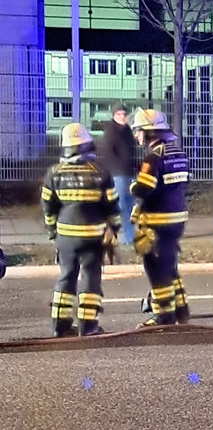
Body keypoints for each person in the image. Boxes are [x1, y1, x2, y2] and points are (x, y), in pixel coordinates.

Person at [41, 124, 121, 337]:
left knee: (66, 276)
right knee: (90, 277)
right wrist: (114, 228)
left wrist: (52, 232)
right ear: (87, 144)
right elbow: (112, 205)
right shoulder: (100, 172)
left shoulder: (54, 173)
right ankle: (88, 326)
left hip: (65, 236)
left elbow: (48, 207)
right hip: (92, 236)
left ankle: (60, 326)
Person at [130, 108, 191, 326]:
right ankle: (182, 310)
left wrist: (133, 187)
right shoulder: (178, 154)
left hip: (157, 222)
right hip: (177, 219)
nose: (136, 135)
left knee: (155, 268)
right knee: (169, 264)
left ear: (149, 132)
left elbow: (144, 189)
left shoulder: (153, 157)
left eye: (138, 131)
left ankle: (163, 316)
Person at [97, 106, 137, 246]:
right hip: (118, 174)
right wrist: (116, 168)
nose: (122, 116)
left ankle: (129, 236)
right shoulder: (111, 132)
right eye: (119, 114)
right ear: (113, 115)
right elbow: (106, 153)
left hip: (130, 173)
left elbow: (132, 151)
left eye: (124, 114)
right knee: (121, 206)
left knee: (131, 206)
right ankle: (122, 236)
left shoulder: (127, 131)